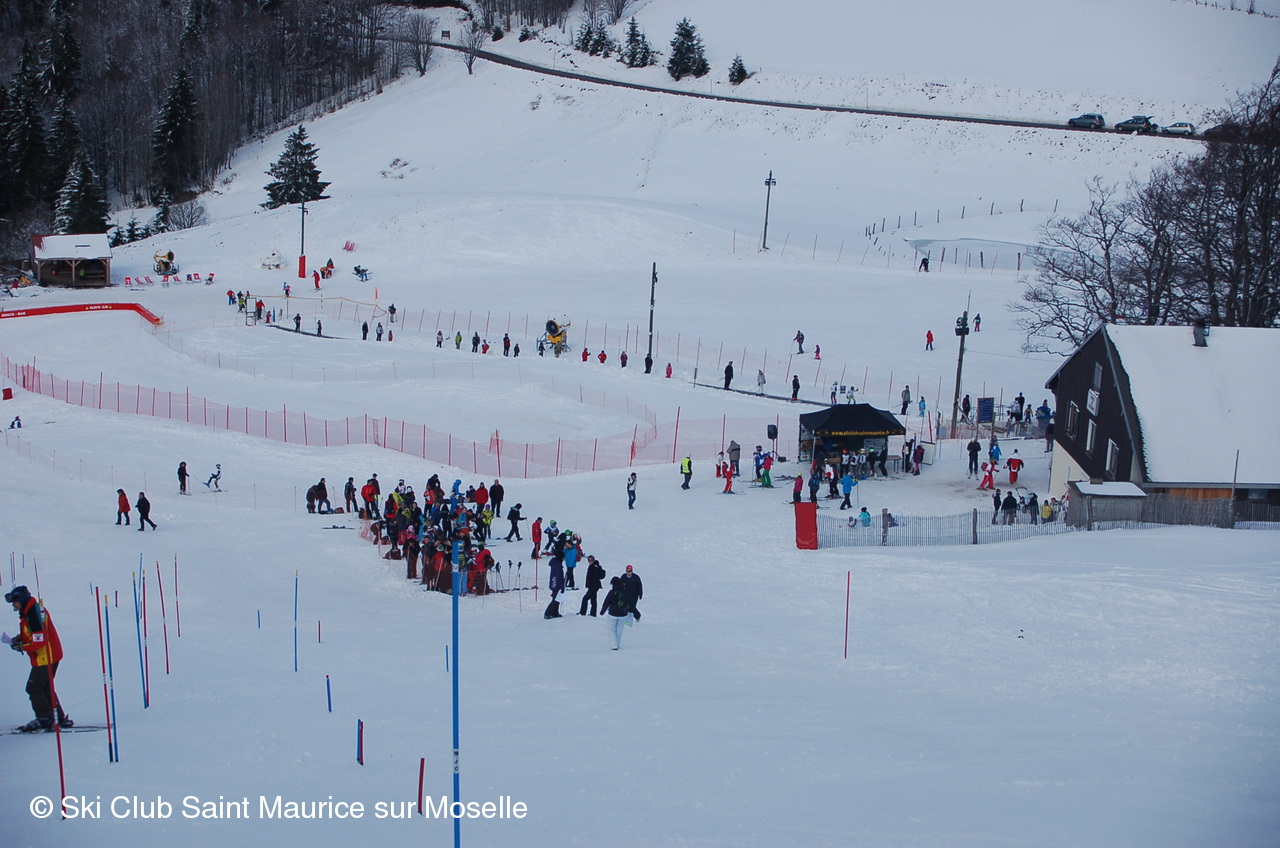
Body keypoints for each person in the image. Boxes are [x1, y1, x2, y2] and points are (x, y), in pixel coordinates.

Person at [6, 586, 72, 732]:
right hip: (49, 655)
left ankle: (45, 718)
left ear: (22, 600)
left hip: (46, 656)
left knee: (34, 687)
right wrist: (20, 639)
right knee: (45, 686)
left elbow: (39, 641)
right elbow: (33, 633)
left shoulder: (33, 613)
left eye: (15, 602)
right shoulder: (29, 611)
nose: (14, 606)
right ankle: (58, 718)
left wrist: (22, 646)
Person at [600, 577, 631, 649]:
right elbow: (630, 602)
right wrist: (636, 613)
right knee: (620, 630)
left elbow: (606, 602)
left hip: (612, 614)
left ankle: (614, 645)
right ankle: (618, 644)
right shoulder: (625, 591)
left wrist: (602, 611)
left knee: (612, 629)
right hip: (623, 615)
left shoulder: (612, 592)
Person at [543, 554, 565, 619]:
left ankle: (555, 612)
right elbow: (559, 576)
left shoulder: (556, 563)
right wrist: (562, 586)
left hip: (554, 583)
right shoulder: (557, 564)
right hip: (556, 584)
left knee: (557, 599)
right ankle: (547, 613)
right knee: (555, 599)